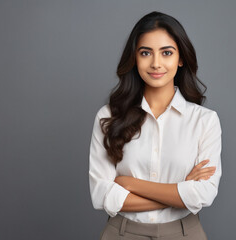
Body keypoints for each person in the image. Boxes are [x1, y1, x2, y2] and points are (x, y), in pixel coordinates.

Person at [89, 11, 222, 240]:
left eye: (167, 53)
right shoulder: (109, 117)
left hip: (184, 234)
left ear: (180, 58)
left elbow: (203, 195)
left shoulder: (205, 121)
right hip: (122, 234)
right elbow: (102, 195)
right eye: (145, 53)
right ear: (134, 58)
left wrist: (129, 183)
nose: (156, 63)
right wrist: (179, 191)